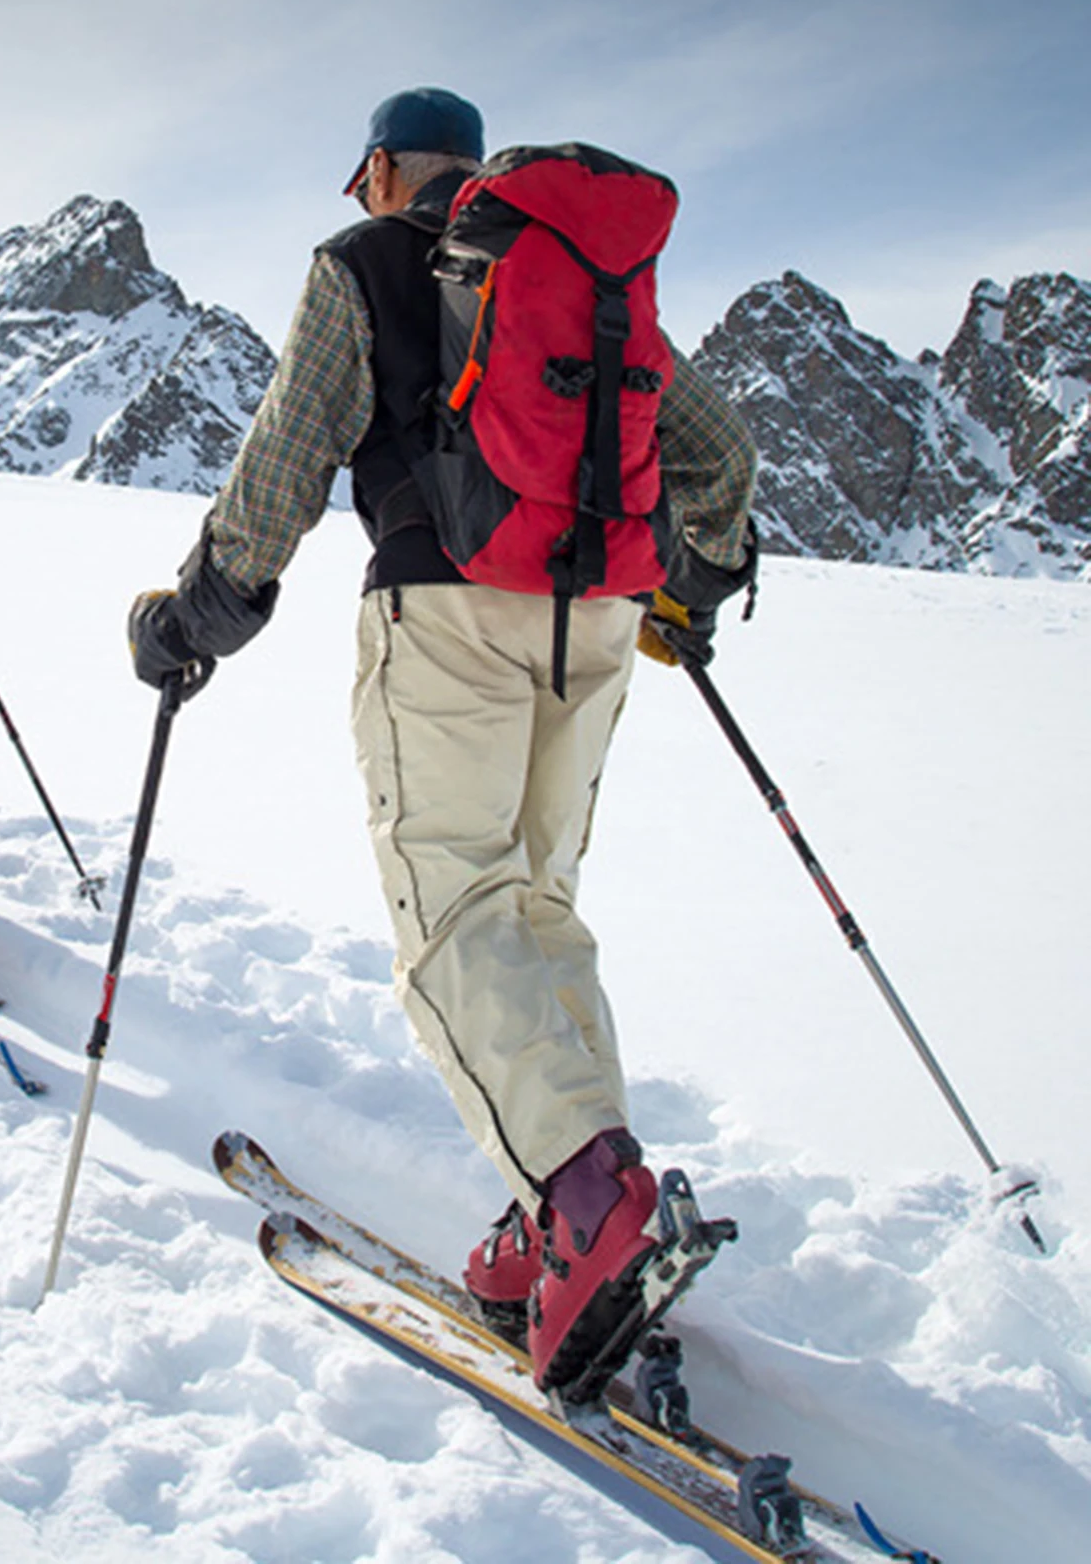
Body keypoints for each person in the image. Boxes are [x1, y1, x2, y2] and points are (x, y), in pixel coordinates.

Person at [128, 89, 758, 1397]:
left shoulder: (364, 261)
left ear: (386, 167)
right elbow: (719, 450)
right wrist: (692, 588)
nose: (359, 194)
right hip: (590, 622)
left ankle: (585, 1200)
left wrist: (198, 614)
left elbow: (283, 467)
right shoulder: (573, 266)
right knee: (533, 905)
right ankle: (566, 1214)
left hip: (445, 607)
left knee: (453, 912)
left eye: (362, 172)